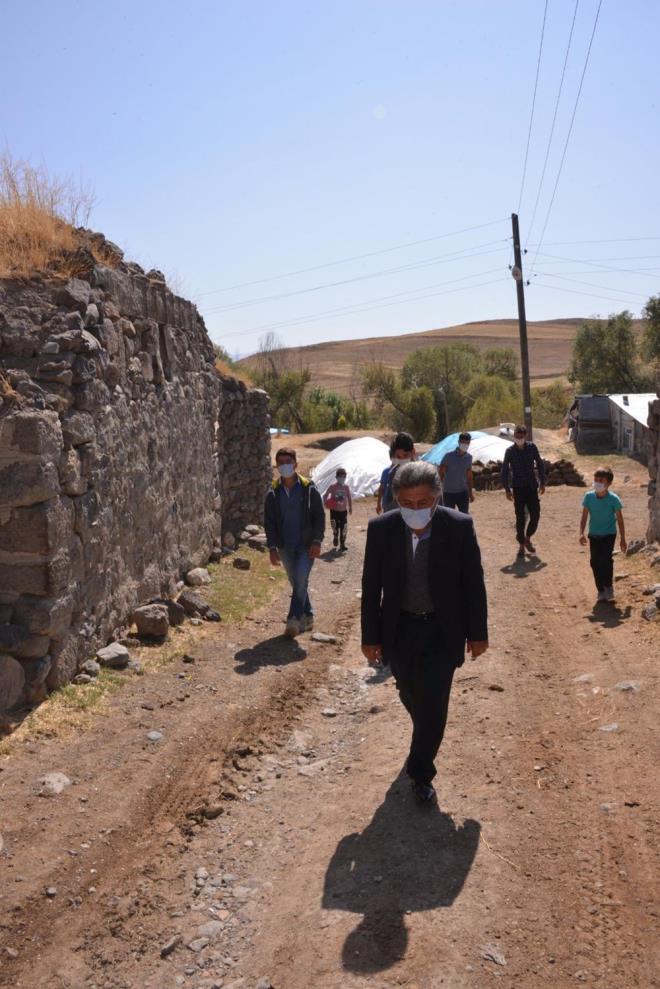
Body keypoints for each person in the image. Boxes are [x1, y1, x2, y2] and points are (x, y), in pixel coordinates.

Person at [361, 461, 488, 804]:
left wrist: (478, 633)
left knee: (433, 701)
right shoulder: (382, 529)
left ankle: (420, 772)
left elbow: (473, 584)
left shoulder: (459, 527)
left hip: (442, 630)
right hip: (399, 629)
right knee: (410, 693)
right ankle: (425, 732)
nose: (414, 510)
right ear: (396, 500)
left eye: (422, 503)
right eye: (407, 503)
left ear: (437, 497)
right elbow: (371, 587)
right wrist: (370, 637)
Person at [264, 447, 325, 637]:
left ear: (296, 464)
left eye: (288, 462)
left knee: (300, 579)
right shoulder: (273, 492)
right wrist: (272, 547)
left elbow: (319, 516)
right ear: (276, 466)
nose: (285, 466)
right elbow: (269, 522)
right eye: (281, 463)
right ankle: (308, 615)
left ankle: (293, 619)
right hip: (285, 546)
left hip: (306, 545)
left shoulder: (309, 488)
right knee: (296, 581)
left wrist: (317, 541)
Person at [579, 467, 627, 603]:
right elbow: (584, 517)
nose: (597, 483)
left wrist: (623, 539)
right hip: (594, 535)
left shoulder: (614, 499)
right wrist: (581, 533)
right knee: (594, 562)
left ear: (609, 483)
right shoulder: (588, 497)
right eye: (596, 480)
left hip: (609, 535)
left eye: (601, 480)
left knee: (606, 560)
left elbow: (620, 520)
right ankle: (600, 590)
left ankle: (608, 587)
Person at [501, 424, 546, 557]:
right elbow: (505, 470)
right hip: (518, 488)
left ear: (525, 436)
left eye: (521, 436)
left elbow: (540, 464)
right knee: (520, 518)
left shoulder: (532, 448)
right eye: (517, 436)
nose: (519, 438)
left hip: (531, 487)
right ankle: (521, 545)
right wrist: (507, 489)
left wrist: (543, 482)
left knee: (535, 515)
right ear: (514, 436)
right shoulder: (510, 451)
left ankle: (527, 538)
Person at [376, 432, 416, 515]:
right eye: (398, 457)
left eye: (405, 456)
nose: (402, 460)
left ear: (413, 452)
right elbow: (389, 504)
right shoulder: (392, 474)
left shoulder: (423, 474)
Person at [439, 432, 475, 513]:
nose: (465, 445)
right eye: (463, 442)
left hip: (463, 492)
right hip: (448, 493)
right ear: (459, 442)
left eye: (467, 443)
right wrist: (439, 489)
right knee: (449, 516)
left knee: (464, 515)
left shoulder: (469, 458)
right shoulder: (448, 457)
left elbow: (469, 476)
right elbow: (440, 473)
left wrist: (470, 493)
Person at [323, 467, 353, 551]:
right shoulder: (332, 487)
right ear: (336, 477)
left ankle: (342, 544)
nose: (342, 478)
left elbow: (349, 497)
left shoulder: (346, 487)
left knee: (344, 528)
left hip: (343, 511)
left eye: (344, 477)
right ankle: (335, 536)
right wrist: (327, 502)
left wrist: (350, 507)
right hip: (334, 511)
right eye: (340, 476)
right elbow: (325, 495)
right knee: (335, 526)